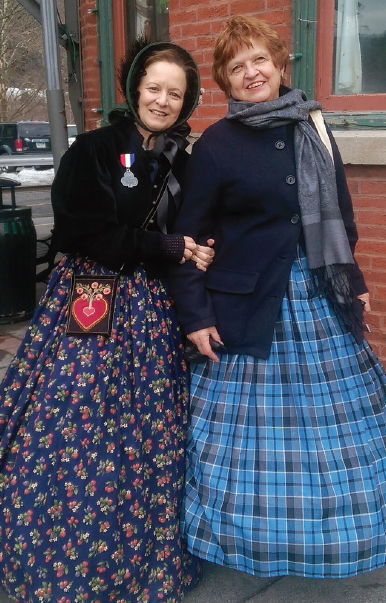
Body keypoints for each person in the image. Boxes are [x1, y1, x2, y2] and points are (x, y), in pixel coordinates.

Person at [168, 15, 386, 580]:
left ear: (280, 63)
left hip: (317, 297)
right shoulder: (215, 145)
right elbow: (190, 242)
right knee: (252, 446)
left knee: (334, 439)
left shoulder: (315, 127)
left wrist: (353, 283)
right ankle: (250, 546)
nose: (251, 72)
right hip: (247, 308)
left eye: (258, 59)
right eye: (236, 67)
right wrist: (194, 314)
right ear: (225, 81)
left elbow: (339, 213)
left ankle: (332, 540)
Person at [0, 39, 213, 602]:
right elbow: (82, 231)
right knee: (76, 419)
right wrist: (170, 246)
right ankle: (59, 557)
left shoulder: (183, 163)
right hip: (92, 298)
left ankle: (137, 556)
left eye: (175, 93)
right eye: (154, 88)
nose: (163, 101)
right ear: (134, 89)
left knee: (147, 429)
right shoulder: (93, 149)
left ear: (186, 101)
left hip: (152, 314)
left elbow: (197, 228)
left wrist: (198, 251)